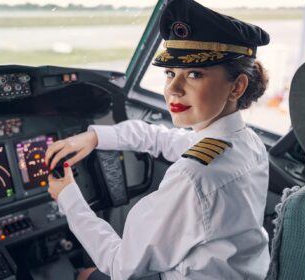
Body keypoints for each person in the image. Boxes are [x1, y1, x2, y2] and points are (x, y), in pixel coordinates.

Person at [45, 0, 271, 279]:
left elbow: (120, 266)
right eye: (169, 73)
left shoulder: (194, 176)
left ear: (236, 86)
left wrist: (68, 196)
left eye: (194, 74)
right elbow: (162, 138)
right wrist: (95, 136)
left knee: (84, 275)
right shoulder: (246, 142)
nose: (173, 89)